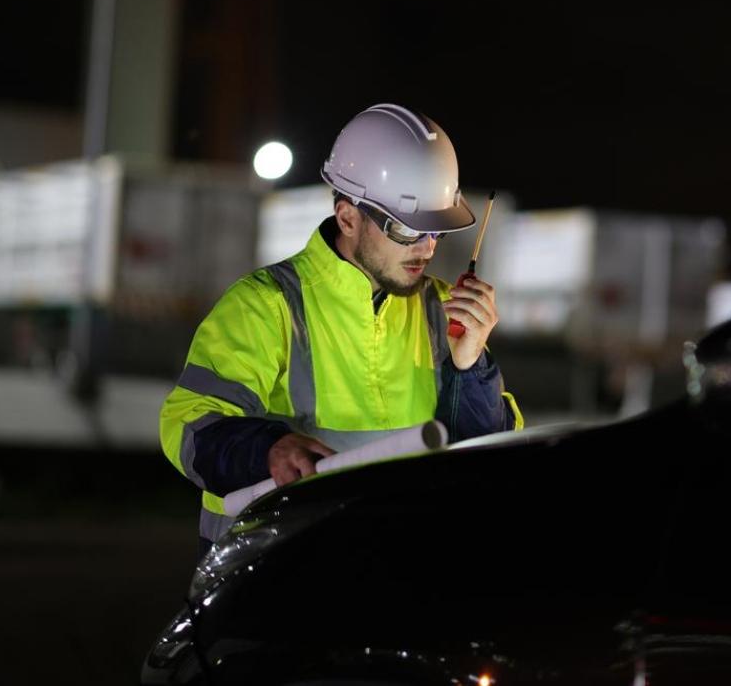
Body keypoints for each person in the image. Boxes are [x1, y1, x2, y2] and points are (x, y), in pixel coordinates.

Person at [160, 103, 522, 552]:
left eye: (436, 231)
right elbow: (188, 426)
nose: (427, 249)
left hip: (404, 574)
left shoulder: (448, 312)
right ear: (349, 217)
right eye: (408, 230)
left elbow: (488, 467)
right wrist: (270, 450)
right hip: (278, 579)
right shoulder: (265, 305)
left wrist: (472, 371)